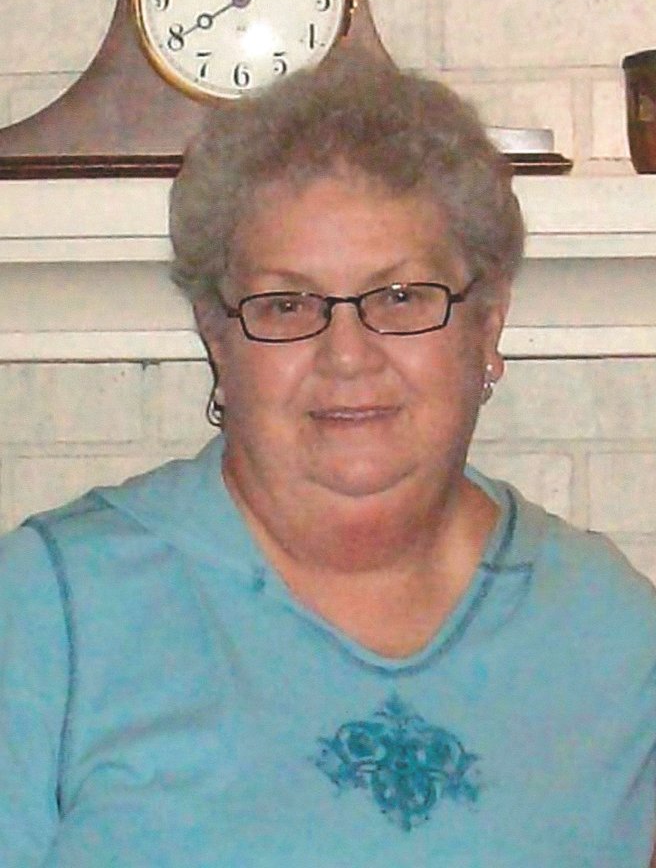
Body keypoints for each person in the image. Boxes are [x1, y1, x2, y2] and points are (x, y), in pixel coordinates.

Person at [1, 48, 654, 868]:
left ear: (486, 328)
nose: (347, 354)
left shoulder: (611, 630)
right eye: (287, 304)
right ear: (219, 339)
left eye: (402, 297)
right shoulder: (49, 610)